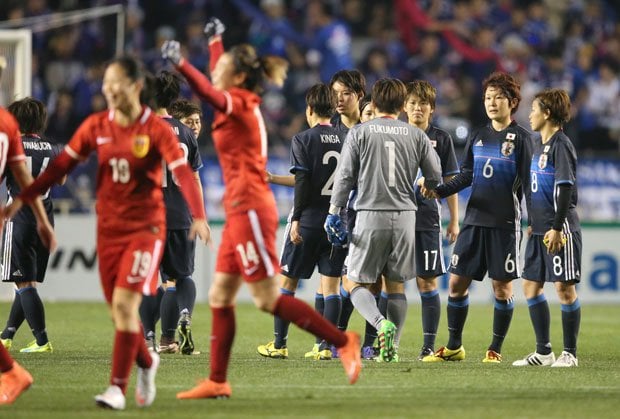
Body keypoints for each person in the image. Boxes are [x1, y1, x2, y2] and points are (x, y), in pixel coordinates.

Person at [161, 18, 361, 399]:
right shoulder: (237, 98)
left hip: (251, 208)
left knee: (268, 298)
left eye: (220, 67)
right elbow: (216, 80)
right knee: (220, 296)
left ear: (235, 77)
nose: (215, 69)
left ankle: (342, 340)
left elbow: (208, 90)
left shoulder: (238, 101)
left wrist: (182, 64)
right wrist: (216, 39)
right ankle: (218, 380)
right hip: (240, 210)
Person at [2, 55, 210, 410]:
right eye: (106, 83)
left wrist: (201, 216)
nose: (109, 89)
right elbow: (60, 167)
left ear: (135, 87)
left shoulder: (158, 129)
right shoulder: (97, 125)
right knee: (119, 312)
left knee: (127, 304)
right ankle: (148, 361)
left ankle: (117, 387)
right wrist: (25, 205)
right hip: (109, 231)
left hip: (147, 227)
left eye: (116, 82)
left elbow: (183, 173)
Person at [325, 77, 442, 362]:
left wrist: (333, 212)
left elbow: (345, 177)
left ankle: (380, 324)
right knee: (396, 285)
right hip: (405, 217)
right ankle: (393, 349)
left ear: (373, 104)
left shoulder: (361, 132)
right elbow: (436, 176)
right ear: (403, 106)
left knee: (353, 283)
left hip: (369, 214)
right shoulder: (416, 135)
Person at [422, 72, 533, 364]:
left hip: (504, 224)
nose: (492, 103)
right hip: (473, 221)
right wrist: (440, 190)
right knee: (457, 284)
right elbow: (467, 176)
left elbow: (529, 184)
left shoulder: (522, 139)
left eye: (498, 97)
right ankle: (455, 345)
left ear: (512, 102)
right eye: (487, 98)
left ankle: (495, 350)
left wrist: (535, 220)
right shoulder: (478, 135)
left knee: (502, 287)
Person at [257, 83, 348, 360]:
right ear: (332, 111)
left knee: (288, 283)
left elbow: (303, 182)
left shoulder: (303, 139)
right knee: (332, 287)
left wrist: (295, 219)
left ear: (309, 110)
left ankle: (279, 344)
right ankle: (325, 347)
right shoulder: (347, 139)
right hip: (336, 222)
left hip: (307, 221)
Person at [512, 88, 581, 368]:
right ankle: (543, 352)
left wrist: (555, 227)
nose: (529, 114)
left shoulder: (561, 145)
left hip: (559, 229)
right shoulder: (537, 144)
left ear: (548, 113)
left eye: (534, 109)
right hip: (539, 229)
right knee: (530, 286)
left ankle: (570, 354)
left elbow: (564, 189)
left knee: (564, 289)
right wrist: (534, 223)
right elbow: (535, 188)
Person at [138, 71, 204, 355]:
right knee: (177, 279)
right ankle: (174, 330)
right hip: (181, 215)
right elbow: (195, 179)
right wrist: (200, 217)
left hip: (148, 216)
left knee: (147, 280)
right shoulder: (186, 132)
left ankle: (147, 338)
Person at [395, 80, 459, 360]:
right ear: (403, 107)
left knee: (427, 282)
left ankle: (427, 346)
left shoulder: (441, 139)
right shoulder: (393, 133)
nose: (417, 108)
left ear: (431, 109)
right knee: (393, 282)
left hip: (428, 218)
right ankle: (389, 344)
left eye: (423, 104)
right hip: (395, 217)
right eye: (412, 103)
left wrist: (454, 219)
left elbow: (450, 181)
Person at [0, 95, 57, 405]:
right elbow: (60, 177)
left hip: (20, 217)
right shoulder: (52, 147)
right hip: (45, 214)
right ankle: (7, 334)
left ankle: (42, 340)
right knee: (27, 282)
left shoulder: (13, 145)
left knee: (23, 283)